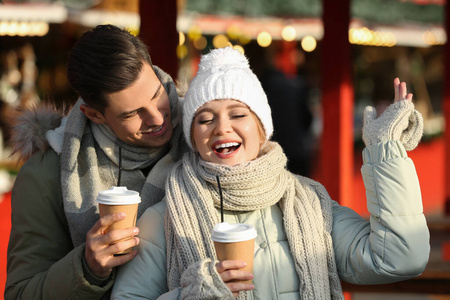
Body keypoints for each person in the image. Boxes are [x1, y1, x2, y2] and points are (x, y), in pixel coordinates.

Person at [111, 47, 429, 299]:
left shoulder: (312, 203)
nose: (222, 127)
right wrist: (192, 295)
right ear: (193, 138)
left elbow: (400, 258)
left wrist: (385, 151)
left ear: (262, 129)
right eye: (205, 119)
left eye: (238, 114)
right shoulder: (161, 219)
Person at [5, 25, 187, 300]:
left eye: (156, 95)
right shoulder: (46, 174)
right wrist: (87, 268)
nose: (157, 119)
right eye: (132, 113)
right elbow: (21, 293)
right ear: (94, 114)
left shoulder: (203, 134)